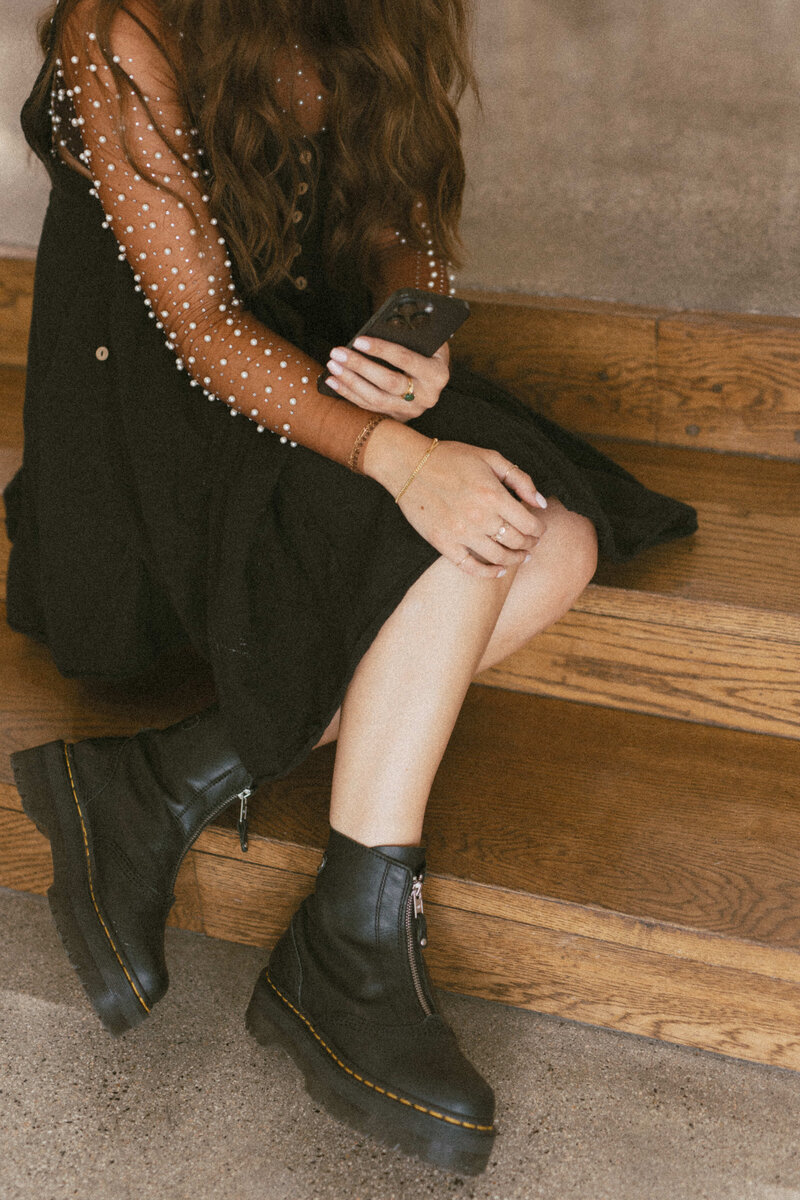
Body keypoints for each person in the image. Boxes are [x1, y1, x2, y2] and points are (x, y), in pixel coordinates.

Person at [4, 0, 697, 1176]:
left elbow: (400, 214)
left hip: (305, 367)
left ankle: (175, 782)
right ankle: (352, 943)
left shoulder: (384, 8)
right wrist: (402, 462)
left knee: (556, 541)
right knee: (465, 520)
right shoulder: (118, 27)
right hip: (148, 451)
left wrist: (413, 332)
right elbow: (201, 331)